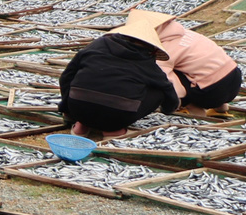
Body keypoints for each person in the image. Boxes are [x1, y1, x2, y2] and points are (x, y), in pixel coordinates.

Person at [58, 9, 179, 138]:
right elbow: (166, 88)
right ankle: (113, 131)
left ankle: (81, 126)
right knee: (158, 92)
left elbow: (66, 77)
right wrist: (168, 109)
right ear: (151, 48)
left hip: (78, 109)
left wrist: (68, 110)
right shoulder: (145, 60)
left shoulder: (97, 45)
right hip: (117, 118)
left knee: (86, 84)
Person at [156, 16, 243, 112]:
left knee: (160, 71)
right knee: (199, 66)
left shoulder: (163, 50)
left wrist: (176, 100)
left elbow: (165, 79)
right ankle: (221, 107)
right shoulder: (185, 33)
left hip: (210, 91)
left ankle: (194, 109)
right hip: (235, 77)